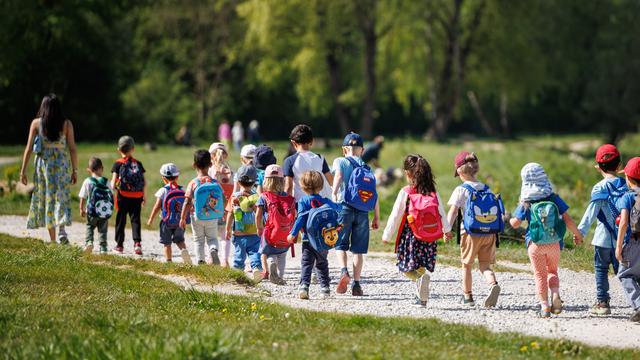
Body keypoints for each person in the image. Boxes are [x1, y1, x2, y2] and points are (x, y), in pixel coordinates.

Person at [509, 162, 583, 318]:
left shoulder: (526, 202)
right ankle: (555, 294)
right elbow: (568, 220)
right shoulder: (554, 198)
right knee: (552, 271)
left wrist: (509, 220)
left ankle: (544, 308)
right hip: (554, 243)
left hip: (535, 244)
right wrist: (578, 234)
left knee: (540, 275)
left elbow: (515, 224)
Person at [382, 154, 452, 306]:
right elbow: (441, 212)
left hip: (411, 237)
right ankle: (421, 297)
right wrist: (447, 230)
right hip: (429, 238)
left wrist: (387, 235)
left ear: (407, 173)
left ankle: (420, 281)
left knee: (405, 267)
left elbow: (395, 215)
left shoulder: (406, 192)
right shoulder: (432, 192)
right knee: (420, 266)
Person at [445, 151, 501, 307]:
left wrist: (447, 229)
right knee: (485, 266)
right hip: (489, 233)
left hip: (469, 233)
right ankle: (492, 284)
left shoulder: (461, 190)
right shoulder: (487, 189)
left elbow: (454, 211)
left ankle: (467, 296)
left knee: (466, 265)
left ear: (459, 171)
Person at [20, 94, 78, 243]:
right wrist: (75, 170)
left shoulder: (36, 124)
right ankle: (62, 232)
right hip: (61, 166)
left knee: (47, 199)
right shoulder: (66, 124)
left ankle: (53, 240)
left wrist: (23, 171)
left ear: (43, 107)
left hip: (44, 166)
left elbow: (28, 149)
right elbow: (72, 149)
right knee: (61, 197)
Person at [577, 144, 626, 315]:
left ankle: (603, 303)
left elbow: (591, 213)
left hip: (602, 238)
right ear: (619, 165)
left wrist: (580, 232)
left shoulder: (599, 188)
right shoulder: (626, 185)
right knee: (625, 272)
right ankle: (637, 302)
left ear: (598, 167)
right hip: (623, 239)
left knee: (601, 269)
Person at [332, 132, 380, 297]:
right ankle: (357, 284)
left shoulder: (340, 161)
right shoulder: (367, 168)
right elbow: (374, 193)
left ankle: (344, 271)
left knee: (340, 244)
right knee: (358, 250)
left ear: (344, 149)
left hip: (344, 207)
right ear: (362, 150)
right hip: (363, 211)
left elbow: (338, 176)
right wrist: (376, 216)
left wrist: (333, 195)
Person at [288, 171, 340, 299]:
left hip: (307, 240)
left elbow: (300, 219)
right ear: (321, 186)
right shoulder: (325, 201)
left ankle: (304, 287)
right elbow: (338, 209)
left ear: (302, 186)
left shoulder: (303, 202)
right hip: (323, 240)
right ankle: (325, 289)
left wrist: (292, 234)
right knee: (322, 263)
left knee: (306, 263)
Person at [179, 150, 222, 265]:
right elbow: (222, 198)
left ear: (194, 165)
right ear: (210, 165)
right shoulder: (215, 182)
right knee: (212, 238)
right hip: (213, 216)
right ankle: (213, 250)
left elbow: (187, 201)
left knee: (198, 240)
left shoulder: (193, 183)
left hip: (197, 215)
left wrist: (182, 217)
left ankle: (201, 261)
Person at [256, 165, 294, 285]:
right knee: (282, 255)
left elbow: (258, 215)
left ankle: (271, 262)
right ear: (282, 181)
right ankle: (280, 276)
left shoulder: (264, 197)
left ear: (266, 181)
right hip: (286, 232)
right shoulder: (289, 198)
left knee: (268, 253)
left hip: (270, 232)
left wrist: (258, 227)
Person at [147, 163, 192, 264]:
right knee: (180, 240)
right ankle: (184, 252)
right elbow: (188, 203)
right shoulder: (182, 189)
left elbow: (157, 206)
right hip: (179, 221)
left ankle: (169, 261)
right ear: (177, 176)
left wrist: (151, 219)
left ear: (163, 178)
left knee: (167, 243)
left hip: (166, 221)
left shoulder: (163, 190)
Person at [225, 164, 262, 281]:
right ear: (255, 181)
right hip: (254, 232)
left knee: (239, 254)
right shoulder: (257, 197)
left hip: (239, 232)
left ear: (239, 182)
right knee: (254, 252)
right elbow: (260, 214)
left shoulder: (234, 197)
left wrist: (227, 229)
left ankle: (238, 272)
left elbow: (230, 214)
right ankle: (256, 268)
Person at [614, 157, 640, 323]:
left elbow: (623, 222)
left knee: (625, 274)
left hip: (633, 242)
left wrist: (618, 247)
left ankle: (639, 306)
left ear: (628, 179)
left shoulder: (628, 197)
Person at [110, 135, 146, 255]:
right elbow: (144, 182)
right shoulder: (138, 164)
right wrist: (143, 196)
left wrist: (112, 192)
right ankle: (137, 244)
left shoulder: (117, 164)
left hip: (123, 196)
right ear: (133, 149)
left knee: (121, 220)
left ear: (119, 150)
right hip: (137, 196)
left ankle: (119, 246)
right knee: (135, 220)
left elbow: (113, 181)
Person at [283, 124, 333, 201]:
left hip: (300, 204)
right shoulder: (320, 158)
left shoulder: (290, 161)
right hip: (319, 203)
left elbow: (288, 187)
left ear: (293, 143)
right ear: (312, 141)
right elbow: (331, 181)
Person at [78, 157, 112, 254]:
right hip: (103, 211)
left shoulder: (87, 181)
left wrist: (81, 208)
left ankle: (89, 242)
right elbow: (111, 194)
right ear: (102, 168)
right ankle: (103, 248)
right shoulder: (106, 181)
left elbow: (83, 197)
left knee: (89, 226)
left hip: (91, 211)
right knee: (103, 230)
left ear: (89, 170)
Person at [209, 142, 234, 267]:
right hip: (227, 208)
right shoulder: (230, 171)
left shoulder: (211, 171)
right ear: (226, 155)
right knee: (226, 236)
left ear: (211, 156)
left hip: (213, 207)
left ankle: (211, 256)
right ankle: (225, 260)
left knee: (211, 234)